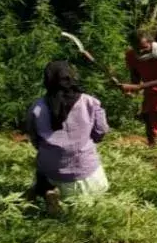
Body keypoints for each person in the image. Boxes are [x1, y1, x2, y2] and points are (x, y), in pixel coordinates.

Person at [26, 61, 110, 217]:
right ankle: (69, 202)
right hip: (84, 168)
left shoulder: (36, 107)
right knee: (91, 199)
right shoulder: (89, 101)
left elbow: (35, 140)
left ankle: (46, 190)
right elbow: (101, 131)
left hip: (51, 169)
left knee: (43, 166)